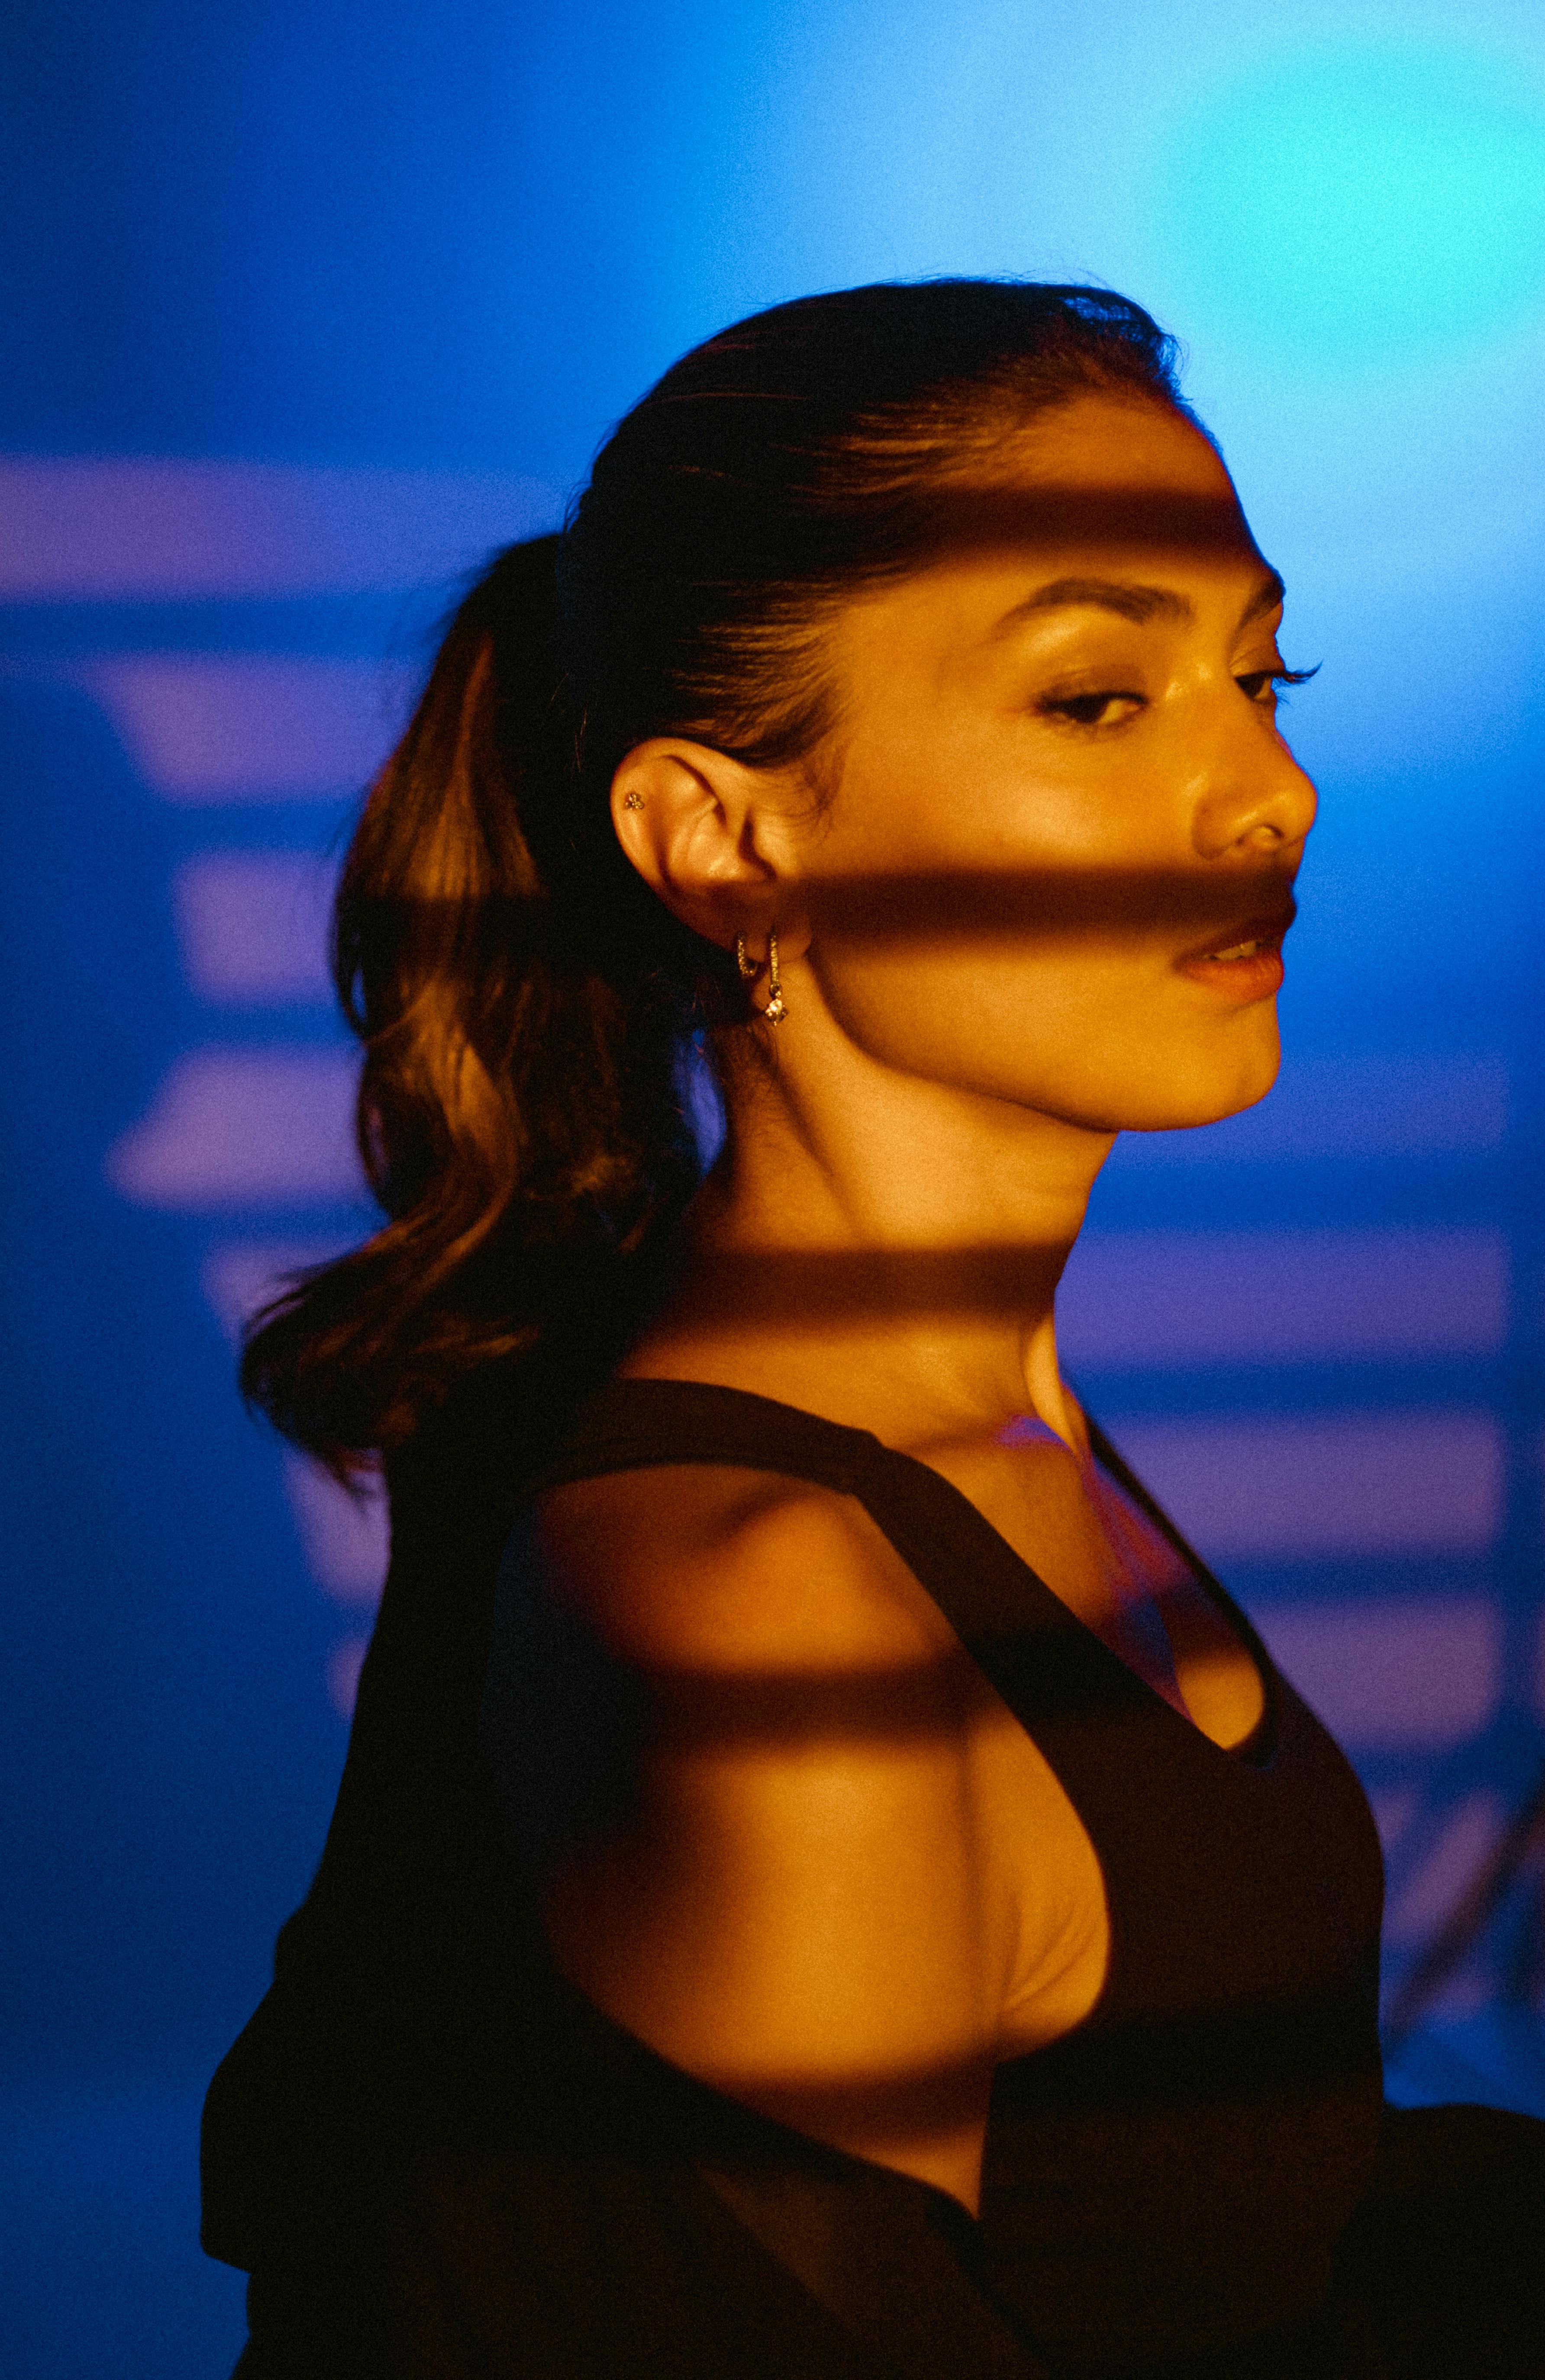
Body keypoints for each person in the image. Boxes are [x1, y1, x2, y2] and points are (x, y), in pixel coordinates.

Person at [202, 280, 1544, 2378]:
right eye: (1098, 699)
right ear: (725, 838)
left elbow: (1212, 2221)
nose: (1263, 794)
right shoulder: (779, 1612)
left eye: (1260, 675)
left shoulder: (979, 1428)